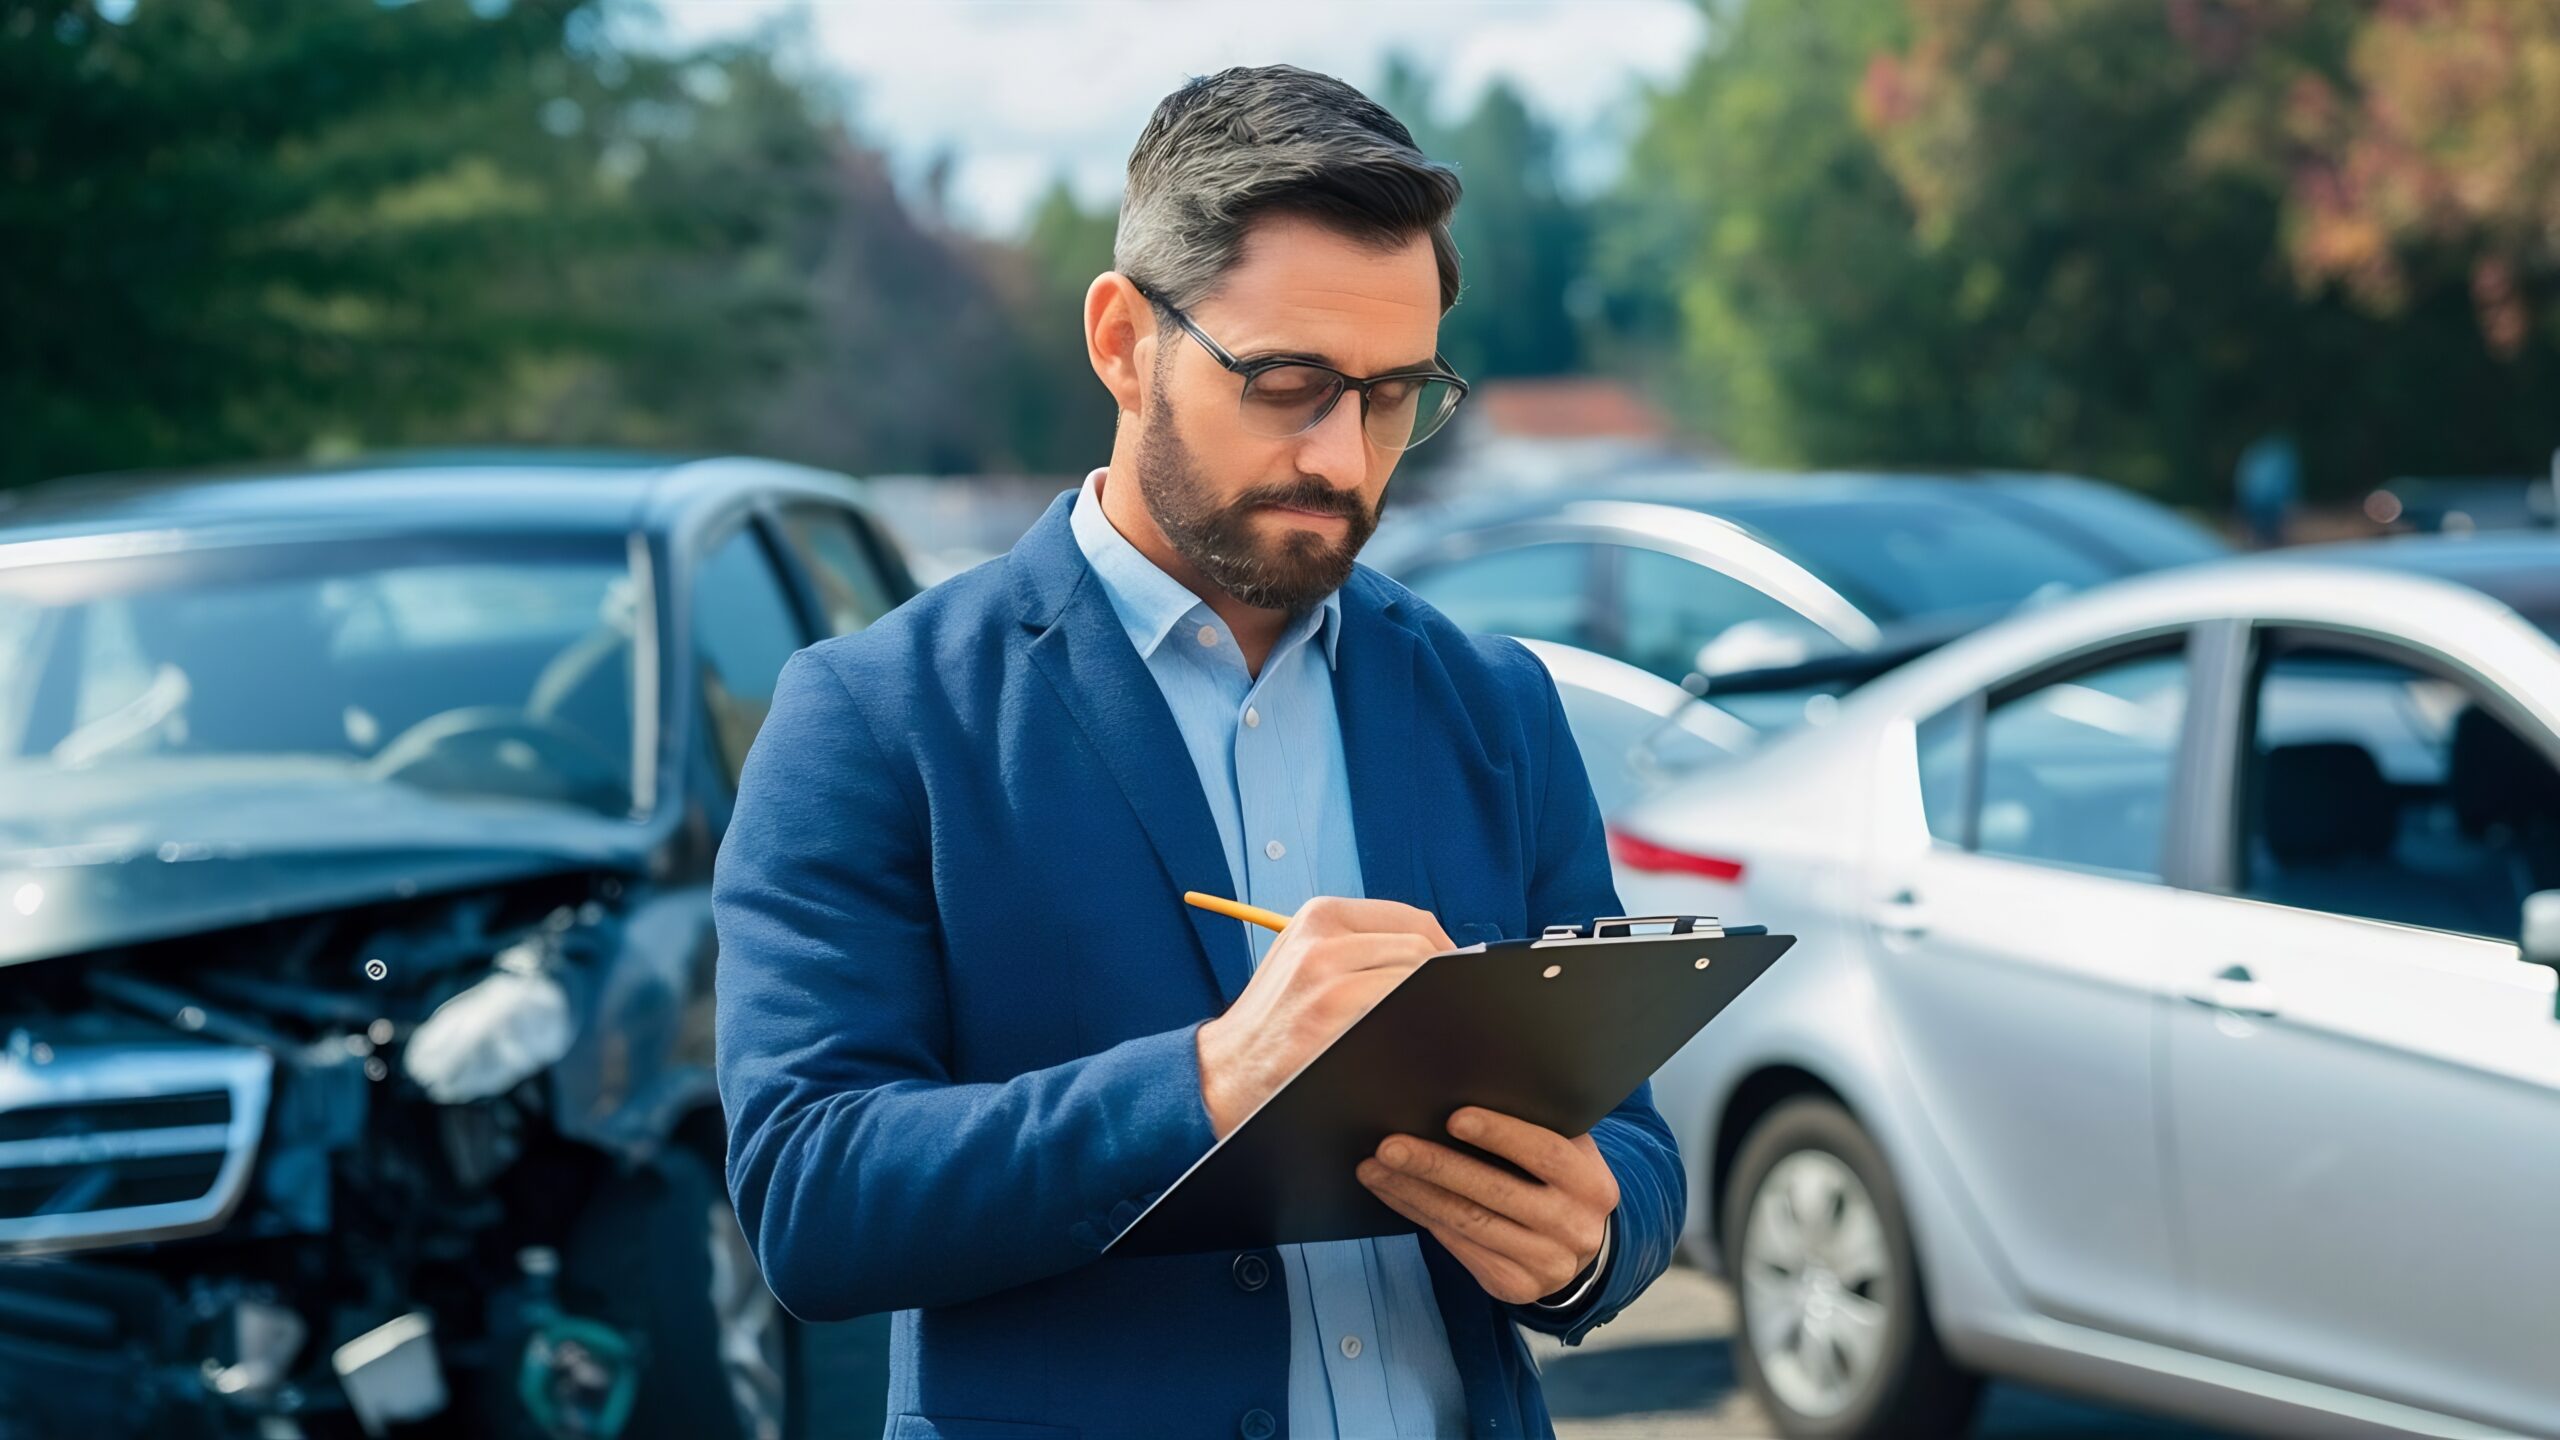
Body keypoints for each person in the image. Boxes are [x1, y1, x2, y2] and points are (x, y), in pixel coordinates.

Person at [712, 64, 1681, 1439]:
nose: (1344, 457)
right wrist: (1216, 1080)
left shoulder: (1495, 705)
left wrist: (1592, 1241)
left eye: (1395, 395)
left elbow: (1630, 1140)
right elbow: (813, 1198)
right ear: (1121, 340)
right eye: (1288, 383)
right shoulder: (875, 716)